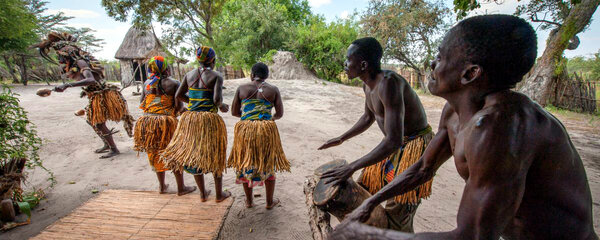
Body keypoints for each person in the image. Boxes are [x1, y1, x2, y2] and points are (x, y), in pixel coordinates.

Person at [332, 15, 598, 240]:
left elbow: (471, 236)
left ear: (470, 74)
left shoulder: (498, 127)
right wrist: (370, 202)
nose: (431, 64)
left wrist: (367, 234)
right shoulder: (455, 112)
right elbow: (423, 169)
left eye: (440, 57)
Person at [317, 37, 433, 232]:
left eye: (348, 59)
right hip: (395, 143)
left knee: (399, 209)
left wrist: (352, 166)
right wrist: (341, 138)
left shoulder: (389, 83)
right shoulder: (367, 85)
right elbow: (367, 117)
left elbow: (394, 140)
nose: (345, 64)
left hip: (414, 145)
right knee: (362, 188)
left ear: (363, 64)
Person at [34, 32, 134, 159]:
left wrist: (67, 85)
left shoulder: (81, 62)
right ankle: (107, 144)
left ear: (68, 53)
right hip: (95, 95)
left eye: (60, 55)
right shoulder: (75, 64)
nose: (60, 59)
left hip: (102, 94)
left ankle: (114, 149)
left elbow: (90, 80)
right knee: (92, 121)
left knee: (98, 123)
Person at [160, 46, 231, 202]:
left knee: (195, 154)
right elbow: (216, 100)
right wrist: (222, 106)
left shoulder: (189, 74)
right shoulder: (216, 76)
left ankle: (203, 193)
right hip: (208, 120)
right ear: (213, 60)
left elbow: (179, 95)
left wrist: (193, 102)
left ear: (198, 60)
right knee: (215, 153)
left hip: (191, 119)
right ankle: (219, 195)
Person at [228, 62, 289, 209]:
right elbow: (279, 114)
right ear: (266, 76)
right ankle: (269, 203)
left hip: (245, 131)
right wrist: (268, 119)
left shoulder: (242, 88)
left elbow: (235, 112)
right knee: (267, 164)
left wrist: (249, 116)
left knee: (245, 163)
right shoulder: (273, 90)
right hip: (265, 131)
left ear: (252, 75)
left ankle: (249, 202)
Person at [133, 56, 195, 195]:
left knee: (154, 152)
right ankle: (181, 188)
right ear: (166, 67)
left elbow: (142, 103)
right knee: (174, 151)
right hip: (166, 123)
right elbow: (179, 106)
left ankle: (161, 187)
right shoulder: (173, 83)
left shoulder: (147, 84)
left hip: (147, 122)